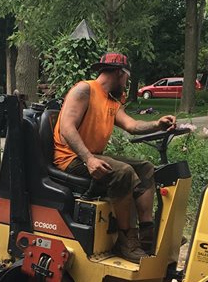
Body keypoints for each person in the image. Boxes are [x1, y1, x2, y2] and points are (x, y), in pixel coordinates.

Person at [53, 52, 176, 262]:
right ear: (120, 73)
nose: (127, 83)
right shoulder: (85, 90)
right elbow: (66, 128)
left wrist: (157, 124)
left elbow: (132, 125)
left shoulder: (111, 101)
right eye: (127, 78)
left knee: (145, 168)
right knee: (123, 173)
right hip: (71, 158)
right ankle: (125, 240)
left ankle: (146, 234)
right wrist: (89, 159)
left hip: (93, 155)